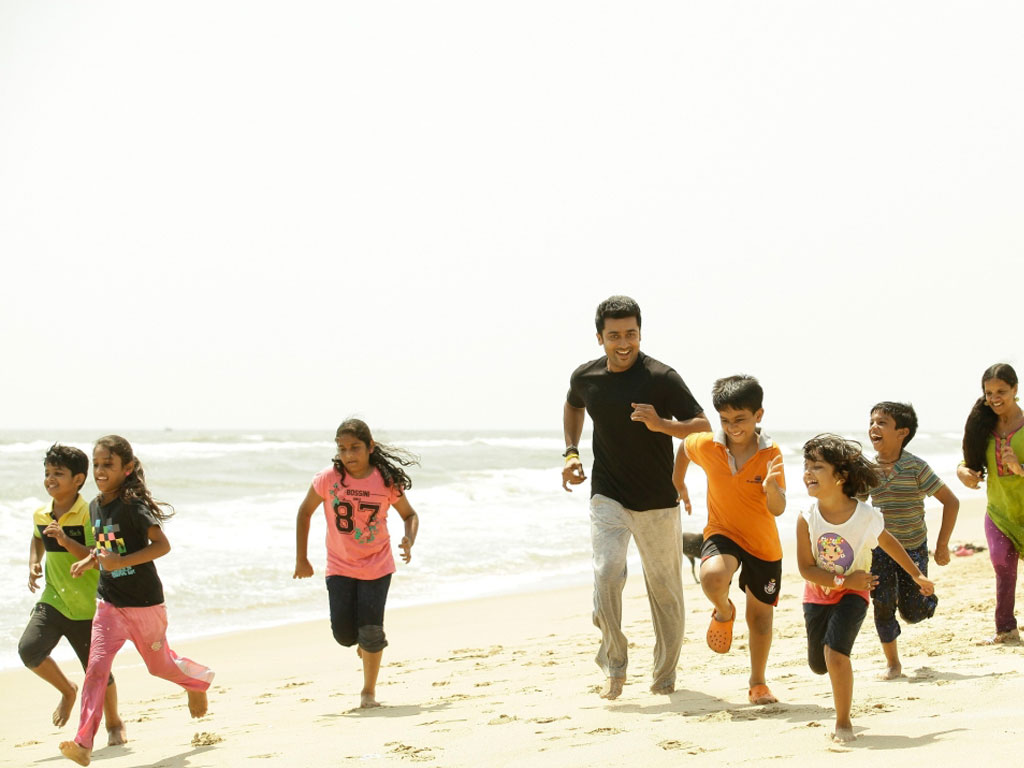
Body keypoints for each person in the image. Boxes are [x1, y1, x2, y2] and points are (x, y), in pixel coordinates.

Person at [562, 295, 710, 700]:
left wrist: (661, 424)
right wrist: (571, 453)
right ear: (600, 338)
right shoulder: (586, 376)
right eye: (614, 336)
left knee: (665, 593)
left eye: (631, 334)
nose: (623, 343)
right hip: (607, 494)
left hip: (657, 499)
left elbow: (701, 425)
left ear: (640, 333)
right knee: (607, 573)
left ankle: (664, 674)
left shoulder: (662, 378)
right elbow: (573, 406)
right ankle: (614, 664)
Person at [59, 436, 213, 767]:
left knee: (159, 667)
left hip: (144, 604)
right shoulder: (94, 506)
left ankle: (196, 682)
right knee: (95, 669)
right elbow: (105, 548)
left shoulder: (133, 506)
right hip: (108, 604)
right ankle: (83, 742)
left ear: (127, 468)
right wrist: (90, 560)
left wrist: (121, 562)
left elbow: (162, 546)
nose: (100, 471)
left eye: (108, 464)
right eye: (96, 464)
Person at [797, 434, 934, 744]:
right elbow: (805, 569)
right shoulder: (807, 517)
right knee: (819, 664)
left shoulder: (865, 516)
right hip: (817, 596)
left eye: (817, 467)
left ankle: (843, 722)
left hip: (854, 594)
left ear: (841, 476)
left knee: (835, 654)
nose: (808, 473)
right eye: (806, 466)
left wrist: (916, 575)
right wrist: (842, 580)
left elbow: (889, 542)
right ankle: (835, 669)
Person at [294, 418, 420, 709]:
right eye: (342, 449)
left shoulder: (386, 481)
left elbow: (409, 515)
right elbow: (304, 512)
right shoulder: (328, 479)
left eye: (355, 448)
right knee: (344, 635)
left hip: (378, 565)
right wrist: (302, 558)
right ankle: (363, 644)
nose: (348, 455)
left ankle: (368, 692)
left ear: (370, 447)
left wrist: (409, 539)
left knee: (372, 632)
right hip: (340, 566)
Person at [676, 375, 785, 705]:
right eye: (725, 420)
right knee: (712, 577)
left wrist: (771, 489)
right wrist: (678, 483)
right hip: (723, 531)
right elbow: (684, 446)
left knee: (760, 620)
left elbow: (778, 508)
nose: (732, 427)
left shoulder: (772, 453)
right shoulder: (709, 445)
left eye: (740, 419)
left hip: (763, 544)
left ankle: (758, 682)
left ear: (758, 415)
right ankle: (724, 612)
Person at [19, 444, 124, 742]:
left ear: (78, 479)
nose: (50, 479)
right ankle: (67, 690)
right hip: (54, 599)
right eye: (47, 473)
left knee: (98, 672)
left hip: (88, 606)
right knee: (29, 650)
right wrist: (34, 562)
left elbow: (102, 555)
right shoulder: (41, 513)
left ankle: (114, 723)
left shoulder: (91, 513)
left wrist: (66, 541)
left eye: (58, 473)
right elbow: (37, 538)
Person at [866, 402, 959, 678]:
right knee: (883, 603)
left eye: (882, 422)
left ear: (902, 432)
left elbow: (951, 502)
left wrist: (942, 545)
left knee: (913, 612)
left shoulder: (916, 467)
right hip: (880, 550)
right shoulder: (866, 469)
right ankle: (893, 663)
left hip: (914, 548)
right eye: (872, 422)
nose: (873, 427)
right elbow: (854, 508)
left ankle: (928, 600)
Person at [957, 363, 1024, 644]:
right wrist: (963, 472)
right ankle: (1006, 628)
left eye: (1001, 391)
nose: (994, 398)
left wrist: (1020, 468)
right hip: (998, 511)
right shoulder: (983, 425)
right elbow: (968, 461)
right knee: (1001, 563)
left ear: (1015, 389)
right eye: (989, 393)